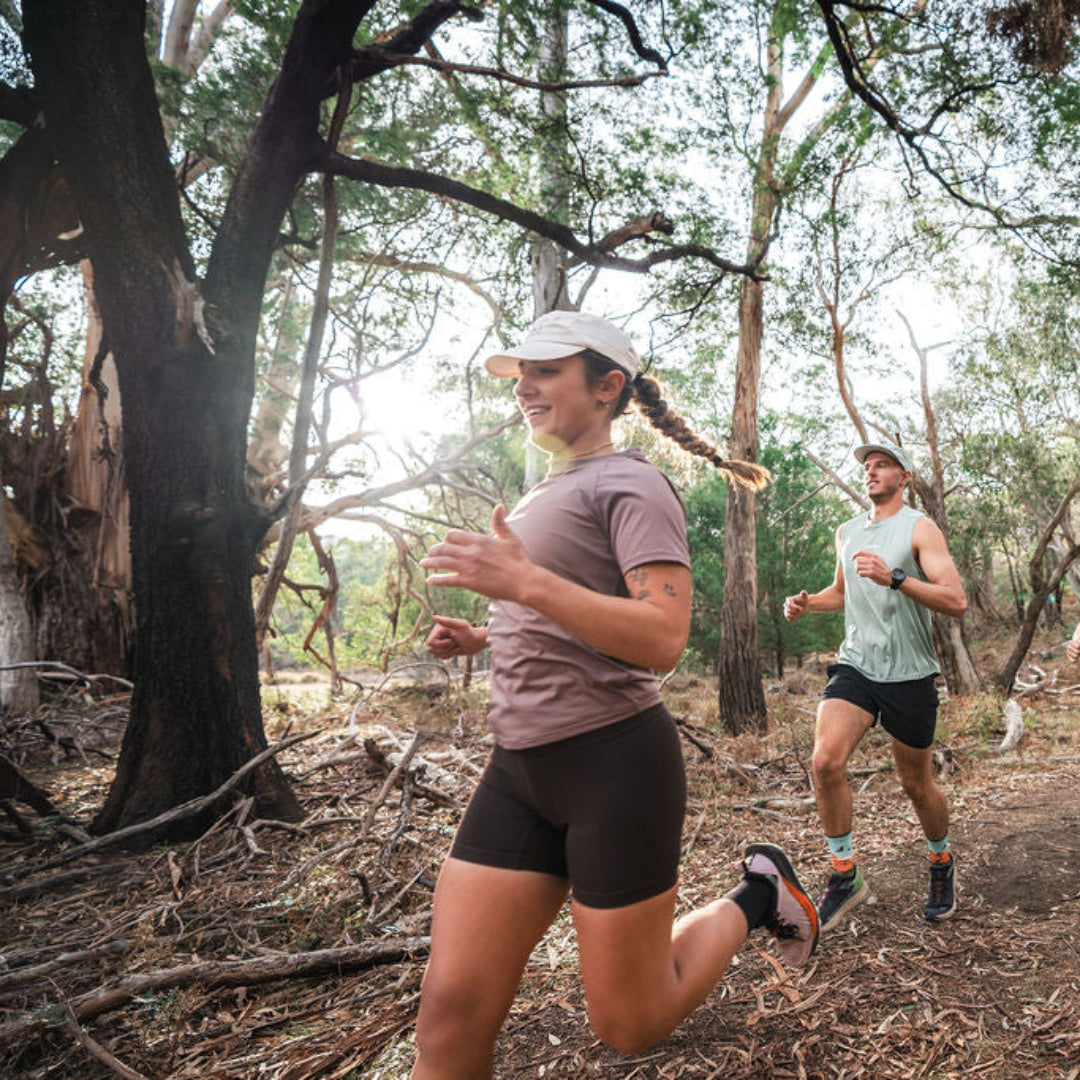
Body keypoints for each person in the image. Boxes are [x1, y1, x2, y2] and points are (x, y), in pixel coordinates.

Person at [412, 311, 818, 1079]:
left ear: (607, 386)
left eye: (546, 371)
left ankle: (758, 899)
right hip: (517, 770)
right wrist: (486, 634)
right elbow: (565, 611)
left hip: (613, 765)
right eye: (521, 375)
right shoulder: (545, 491)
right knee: (449, 1014)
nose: (525, 388)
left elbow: (662, 636)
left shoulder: (632, 482)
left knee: (631, 1022)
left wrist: (523, 583)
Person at [784, 443, 967, 933]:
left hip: (909, 672)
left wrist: (897, 577)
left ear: (904, 478)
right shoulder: (847, 532)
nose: (871, 472)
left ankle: (941, 861)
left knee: (915, 784)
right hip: (857, 664)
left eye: (882, 465)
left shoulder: (919, 528)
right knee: (825, 761)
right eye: (867, 466)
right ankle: (845, 875)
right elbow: (841, 593)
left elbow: (956, 600)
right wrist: (807, 603)